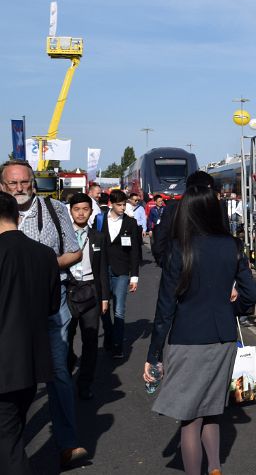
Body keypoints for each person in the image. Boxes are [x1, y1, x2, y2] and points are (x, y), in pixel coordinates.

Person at [145, 171, 256, 475]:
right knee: (211, 411)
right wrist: (232, 310)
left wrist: (154, 354)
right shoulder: (232, 246)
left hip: (188, 338)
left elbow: (165, 307)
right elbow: (250, 294)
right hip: (223, 337)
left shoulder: (178, 249)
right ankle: (215, 468)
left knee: (189, 419)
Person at [0, 159, 88, 467]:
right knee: (11, 375)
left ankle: (67, 443)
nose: (19, 188)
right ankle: (11, 446)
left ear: (33, 183)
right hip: (8, 302)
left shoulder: (55, 210)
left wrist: (44, 266)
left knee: (57, 370)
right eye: (13, 183)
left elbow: (75, 251)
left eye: (24, 182)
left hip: (51, 299)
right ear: (2, 186)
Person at [0, 191, 60, 474]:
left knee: (8, 445)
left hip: (4, 363)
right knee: (12, 432)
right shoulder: (44, 254)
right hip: (32, 361)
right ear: (17, 215)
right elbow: (52, 306)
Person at [65, 193, 110, 400]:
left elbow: (103, 269)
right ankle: (65, 375)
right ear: (71, 211)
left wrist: (104, 298)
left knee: (90, 340)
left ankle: (85, 383)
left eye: (85, 209)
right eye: (77, 209)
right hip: (69, 290)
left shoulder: (98, 237)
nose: (81, 213)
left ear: (91, 212)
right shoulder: (63, 236)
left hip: (92, 291)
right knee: (65, 338)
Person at [98, 189, 142, 359]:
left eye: (124, 205)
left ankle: (117, 345)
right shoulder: (100, 220)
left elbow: (135, 251)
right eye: (119, 205)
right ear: (111, 204)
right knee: (103, 307)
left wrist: (134, 276)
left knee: (119, 309)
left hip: (122, 270)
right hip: (102, 269)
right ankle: (109, 334)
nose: (123, 208)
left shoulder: (130, 223)